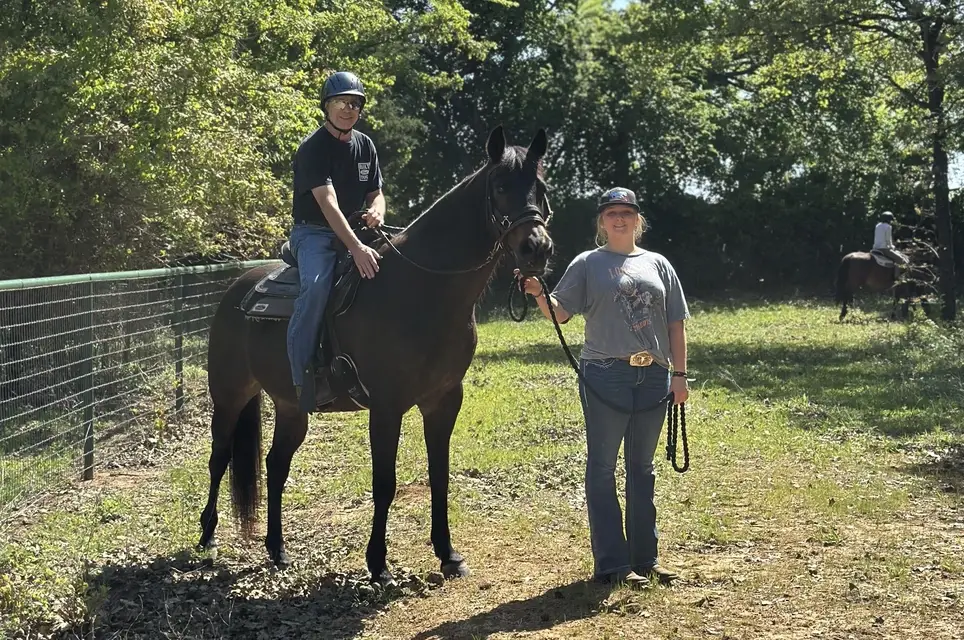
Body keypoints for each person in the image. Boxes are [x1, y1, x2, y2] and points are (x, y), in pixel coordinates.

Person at [515, 187, 690, 589]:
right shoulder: (587, 264)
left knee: (642, 469)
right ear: (602, 221)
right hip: (605, 374)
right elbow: (561, 312)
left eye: (626, 212)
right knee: (603, 468)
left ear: (637, 220)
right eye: (611, 213)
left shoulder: (659, 264)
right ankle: (612, 563)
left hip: (654, 377)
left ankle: (646, 558)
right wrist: (540, 293)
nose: (619, 219)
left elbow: (675, 323)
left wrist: (679, 375)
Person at [287, 71, 385, 414]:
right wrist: (357, 248)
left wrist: (376, 210)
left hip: (355, 229)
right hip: (314, 233)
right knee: (315, 287)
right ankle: (302, 378)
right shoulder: (313, 148)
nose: (349, 108)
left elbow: (376, 193)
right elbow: (327, 205)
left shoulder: (365, 145)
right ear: (326, 107)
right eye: (342, 102)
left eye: (355, 103)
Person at [872, 211, 909, 278]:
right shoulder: (888, 227)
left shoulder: (878, 226)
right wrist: (892, 247)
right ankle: (897, 277)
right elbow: (888, 240)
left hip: (875, 248)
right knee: (900, 260)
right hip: (884, 249)